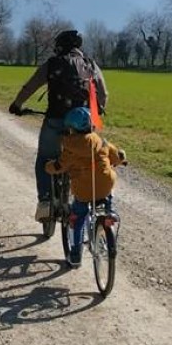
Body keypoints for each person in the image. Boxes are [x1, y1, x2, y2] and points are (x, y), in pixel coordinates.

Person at [8, 29, 107, 220]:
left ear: (59, 46)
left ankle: (45, 201)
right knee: (80, 157)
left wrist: (17, 104)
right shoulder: (89, 64)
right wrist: (97, 112)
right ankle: (80, 197)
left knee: (45, 158)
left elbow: (31, 86)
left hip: (56, 119)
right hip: (83, 124)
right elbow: (103, 94)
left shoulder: (52, 64)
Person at [45, 106, 127, 267]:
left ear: (71, 128)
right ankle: (109, 212)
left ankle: (75, 253)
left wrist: (48, 167)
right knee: (107, 193)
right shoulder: (101, 142)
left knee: (78, 217)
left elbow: (59, 166)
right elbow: (116, 156)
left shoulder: (70, 148)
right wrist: (121, 160)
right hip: (104, 184)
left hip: (82, 188)